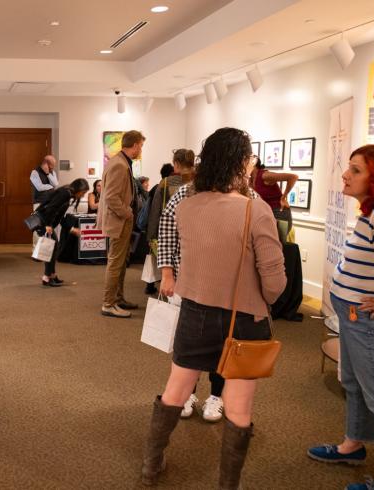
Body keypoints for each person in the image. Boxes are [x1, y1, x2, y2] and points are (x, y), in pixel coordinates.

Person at [141, 127, 286, 489]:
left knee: (175, 390)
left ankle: (151, 465)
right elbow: (275, 279)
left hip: (195, 312)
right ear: (241, 162)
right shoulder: (257, 210)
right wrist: (264, 298)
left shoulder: (186, 205)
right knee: (238, 410)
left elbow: (175, 247)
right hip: (245, 319)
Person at [307, 144, 374, 490]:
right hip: (354, 315)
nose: (346, 174)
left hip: (367, 321)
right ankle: (353, 444)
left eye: (356, 170)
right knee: (355, 384)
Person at [98, 130, 145, 318]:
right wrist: (127, 213)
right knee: (116, 263)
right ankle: (108, 303)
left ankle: (118, 298)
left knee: (121, 261)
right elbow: (111, 197)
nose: (141, 149)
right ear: (134, 145)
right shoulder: (119, 164)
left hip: (121, 220)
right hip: (119, 221)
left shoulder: (120, 161)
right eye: (140, 146)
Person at [143, 149, 195, 296]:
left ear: (176, 164)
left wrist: (151, 236)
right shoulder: (202, 182)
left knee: (171, 267)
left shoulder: (166, 183)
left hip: (170, 231)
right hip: (194, 232)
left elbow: (156, 212)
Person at [34, 178, 89, 286]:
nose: (82, 196)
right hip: (44, 222)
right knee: (52, 248)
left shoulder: (67, 193)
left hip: (46, 222)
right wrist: (47, 225)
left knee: (53, 247)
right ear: (78, 189)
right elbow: (51, 209)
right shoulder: (65, 193)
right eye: (82, 193)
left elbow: (60, 216)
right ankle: (47, 277)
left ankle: (51, 275)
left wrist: (71, 229)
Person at [250, 157, 298, 239]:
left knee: (275, 242)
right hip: (267, 213)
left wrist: (283, 197)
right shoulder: (251, 179)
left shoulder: (264, 175)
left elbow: (293, 177)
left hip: (279, 212)